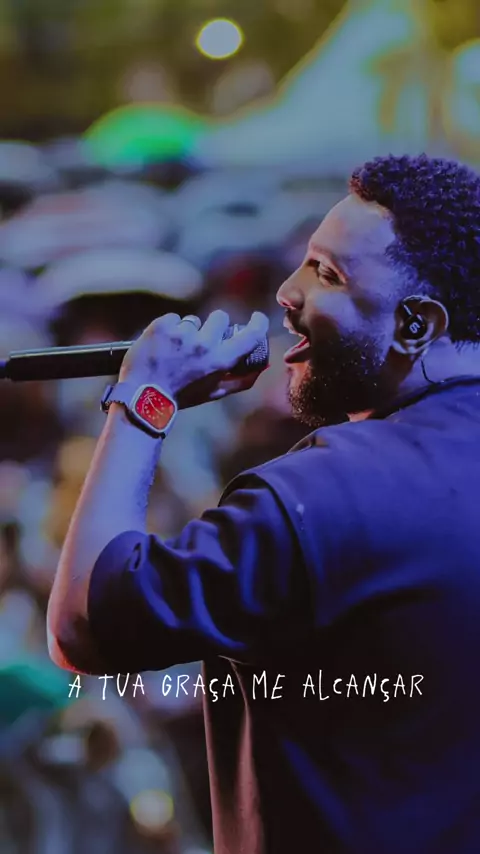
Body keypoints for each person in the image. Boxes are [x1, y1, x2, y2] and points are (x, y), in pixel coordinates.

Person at [47, 154, 480, 854]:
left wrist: (144, 398)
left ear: (415, 325)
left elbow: (86, 625)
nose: (286, 291)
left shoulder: (321, 493)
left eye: (326, 273)